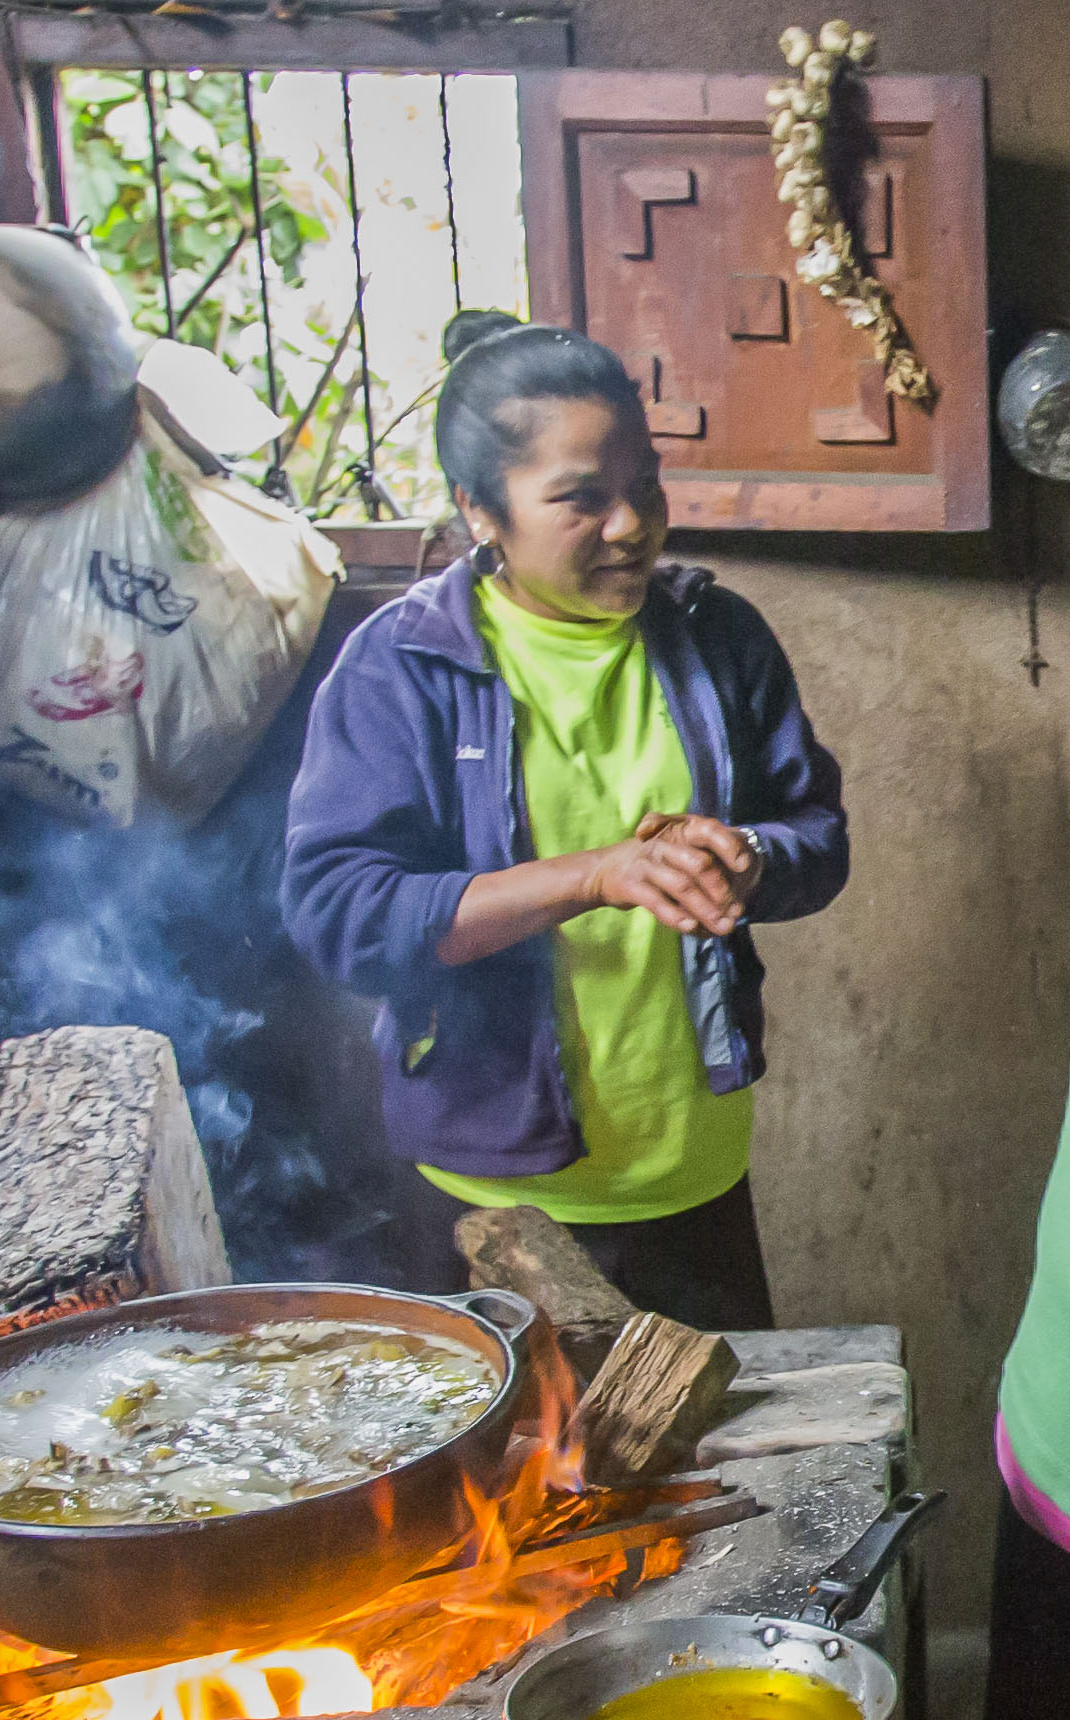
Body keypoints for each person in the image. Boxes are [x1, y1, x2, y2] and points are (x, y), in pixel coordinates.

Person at [283, 324, 848, 1328]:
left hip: (691, 1177)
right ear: (478, 508)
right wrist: (590, 877)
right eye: (581, 497)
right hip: (484, 1200)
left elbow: (816, 835)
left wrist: (751, 857)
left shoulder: (717, 638)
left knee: (701, 1459)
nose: (632, 525)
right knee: (509, 1476)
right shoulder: (401, 668)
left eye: (648, 484)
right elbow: (340, 916)